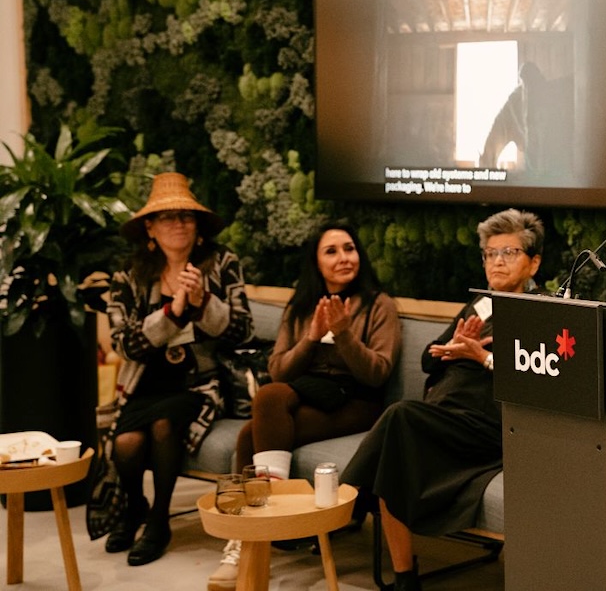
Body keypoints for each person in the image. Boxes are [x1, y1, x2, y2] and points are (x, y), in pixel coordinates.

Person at [342, 208, 544, 591]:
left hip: (488, 427)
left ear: (533, 263)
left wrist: (481, 357)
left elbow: (537, 380)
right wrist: (449, 349)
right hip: (444, 417)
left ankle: (349, 499)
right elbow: (426, 358)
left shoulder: (542, 311)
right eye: (489, 253)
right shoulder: (479, 305)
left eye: (509, 253)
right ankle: (404, 577)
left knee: (398, 417)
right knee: (396, 446)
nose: (496, 262)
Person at [208, 221, 401, 590]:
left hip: (357, 401)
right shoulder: (300, 307)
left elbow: (377, 374)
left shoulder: (379, 304)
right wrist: (312, 336)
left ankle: (244, 540)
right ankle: (258, 529)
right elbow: (278, 369)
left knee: (254, 430)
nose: (344, 257)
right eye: (331, 251)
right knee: (267, 402)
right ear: (316, 262)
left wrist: (343, 332)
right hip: (308, 393)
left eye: (349, 248)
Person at [96, 172, 253, 566]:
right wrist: (173, 311)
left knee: (165, 425)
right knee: (126, 444)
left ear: (198, 226)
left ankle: (159, 520)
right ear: (149, 227)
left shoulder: (222, 263)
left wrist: (204, 303)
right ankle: (135, 508)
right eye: (167, 217)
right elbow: (125, 344)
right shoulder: (128, 277)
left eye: (186, 216)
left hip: (198, 385)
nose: (179, 223)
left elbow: (241, 330)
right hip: (143, 383)